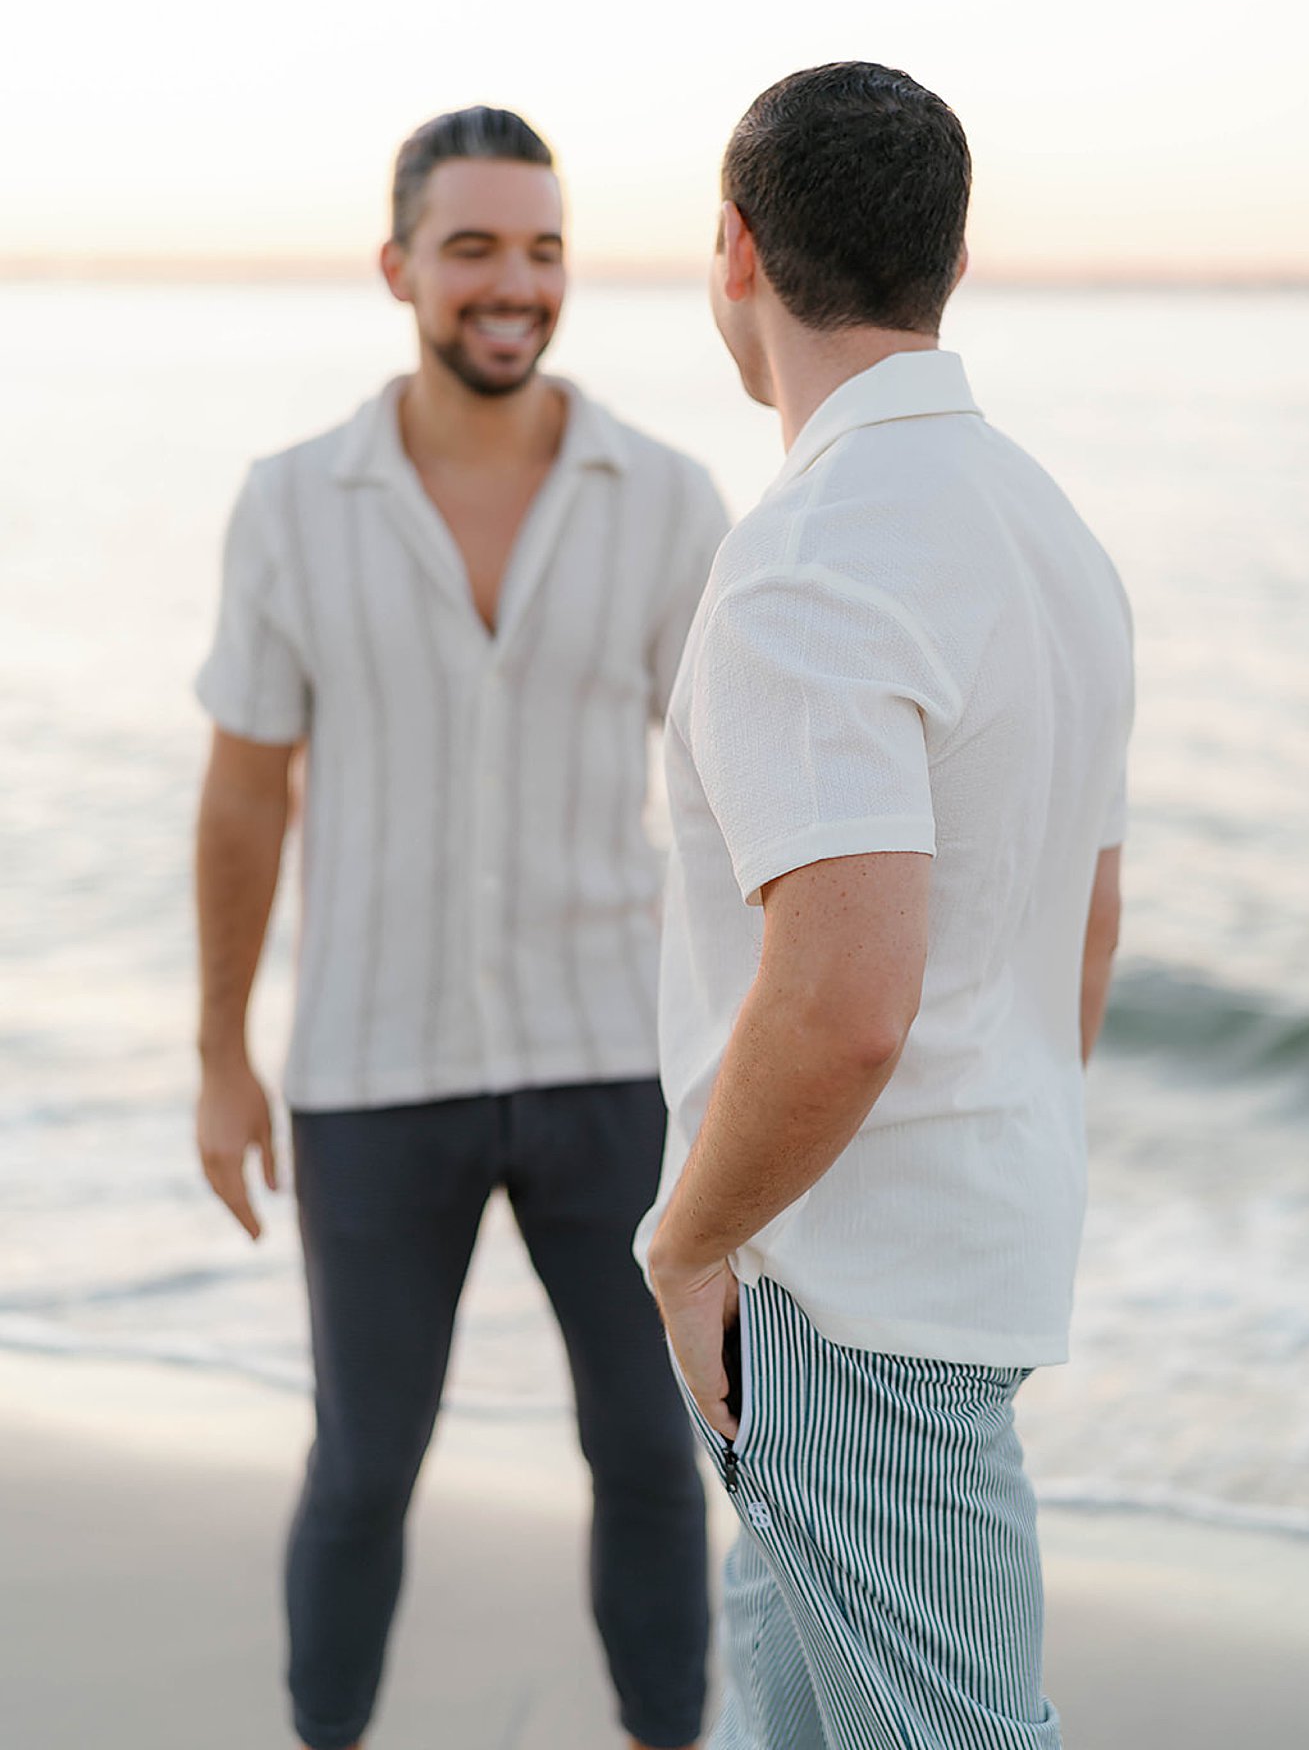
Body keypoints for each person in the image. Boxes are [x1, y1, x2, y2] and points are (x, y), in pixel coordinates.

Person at [193, 106, 726, 1750]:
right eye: (475, 247)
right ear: (398, 266)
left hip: (609, 1063)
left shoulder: (667, 498)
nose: (515, 284)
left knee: (650, 1455)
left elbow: (730, 799)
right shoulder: (292, 503)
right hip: (373, 1067)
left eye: (544, 250)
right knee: (363, 1467)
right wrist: (221, 1057)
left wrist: (744, 1061)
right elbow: (243, 796)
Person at [639, 62, 1134, 1749]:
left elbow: (846, 1001)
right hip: (955, 1251)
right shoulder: (1046, 532)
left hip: (841, 1291)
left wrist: (684, 1239)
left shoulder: (810, 557)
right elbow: (1083, 927)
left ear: (735, 248)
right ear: (951, 257)